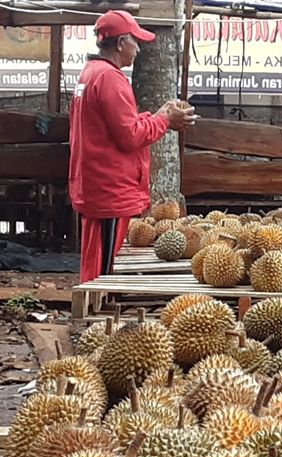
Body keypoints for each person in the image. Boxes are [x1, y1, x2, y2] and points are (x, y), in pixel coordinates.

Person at [69, 10, 194, 283]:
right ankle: (96, 316)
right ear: (120, 42)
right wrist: (164, 121)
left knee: (98, 257)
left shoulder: (91, 73)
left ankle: (95, 311)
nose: (138, 48)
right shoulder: (110, 79)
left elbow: (116, 127)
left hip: (96, 183)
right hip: (108, 188)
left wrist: (158, 115)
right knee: (102, 270)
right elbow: (130, 136)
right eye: (135, 41)